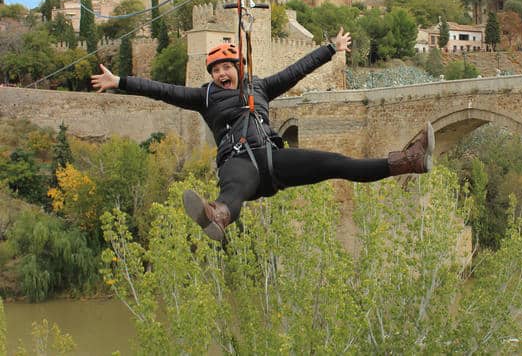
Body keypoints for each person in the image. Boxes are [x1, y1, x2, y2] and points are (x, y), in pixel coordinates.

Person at [91, 27, 434, 242]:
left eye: (227, 67)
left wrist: (331, 49)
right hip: (239, 162)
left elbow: (296, 71)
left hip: (273, 158)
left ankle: (409, 161)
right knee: (233, 190)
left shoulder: (261, 88)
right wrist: (120, 81)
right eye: (216, 70)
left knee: (337, 163)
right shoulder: (204, 96)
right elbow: (161, 90)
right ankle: (218, 216)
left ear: (239, 69)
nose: (222, 74)